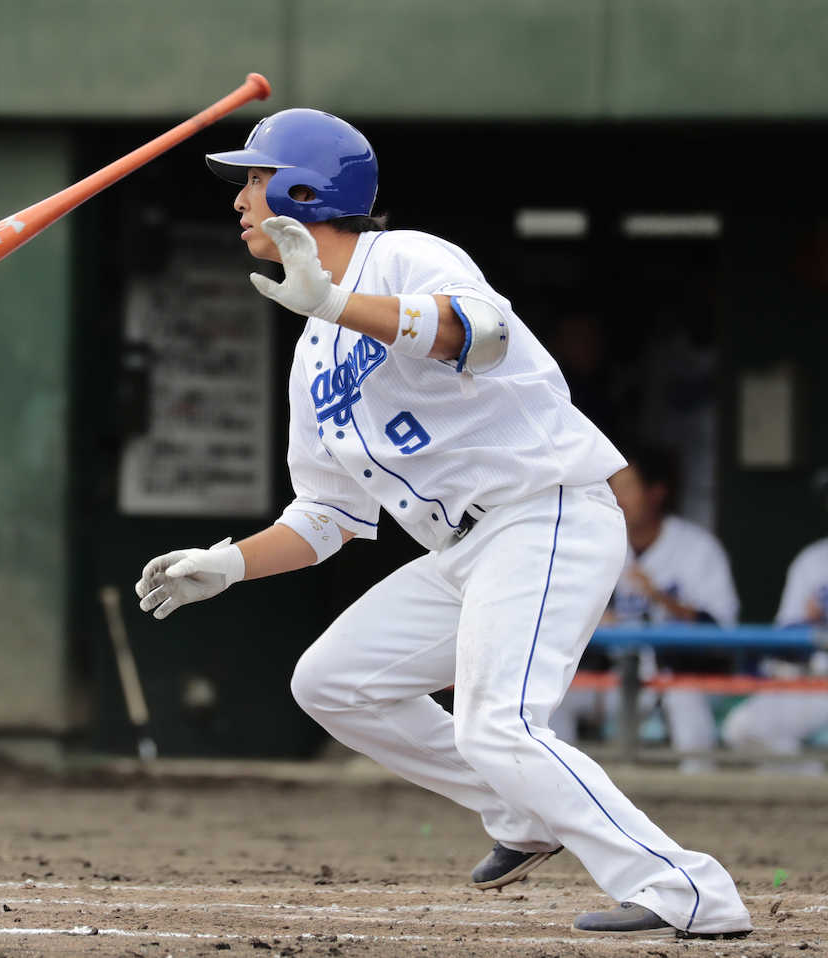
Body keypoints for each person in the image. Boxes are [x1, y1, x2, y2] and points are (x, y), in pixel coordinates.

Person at [134, 109, 751, 939]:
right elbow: (330, 516)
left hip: (546, 513)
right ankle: (518, 809)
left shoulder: (409, 255)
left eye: (254, 178)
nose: (242, 198)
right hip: (462, 549)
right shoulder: (312, 350)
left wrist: (346, 302)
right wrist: (229, 563)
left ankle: (689, 891)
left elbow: (485, 335)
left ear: (304, 190)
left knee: (499, 721)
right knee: (332, 681)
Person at [551, 446, 740, 770]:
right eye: (614, 487)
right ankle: (558, 789)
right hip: (617, 675)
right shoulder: (598, 544)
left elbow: (723, 630)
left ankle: (703, 800)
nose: (618, 497)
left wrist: (662, 600)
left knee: (685, 700)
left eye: (628, 487)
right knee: (557, 700)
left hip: (681, 677)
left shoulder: (696, 547)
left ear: (656, 493)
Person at [722, 529, 828, 773]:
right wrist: (809, 623)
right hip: (815, 681)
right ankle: (813, 789)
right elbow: (786, 635)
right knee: (743, 729)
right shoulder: (813, 560)